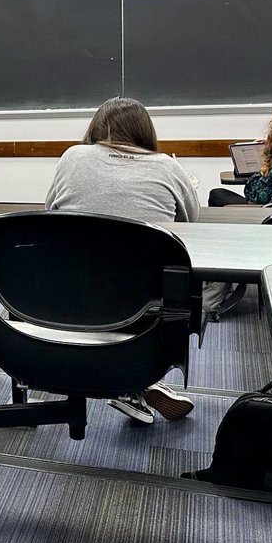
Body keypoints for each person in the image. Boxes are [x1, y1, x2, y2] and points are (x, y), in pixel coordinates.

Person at [46, 96, 198, 424]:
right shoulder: (167, 166)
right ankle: (135, 381)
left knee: (99, 291)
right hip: (145, 308)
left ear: (95, 128)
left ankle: (128, 383)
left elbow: (50, 214)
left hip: (65, 300)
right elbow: (191, 222)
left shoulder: (73, 157)